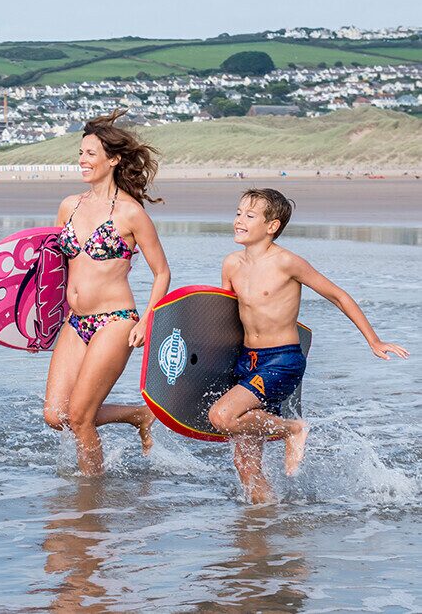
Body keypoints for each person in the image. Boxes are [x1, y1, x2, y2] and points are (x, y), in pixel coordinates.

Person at [208, 188, 408, 503]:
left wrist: (374, 340)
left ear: (271, 226)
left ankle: (292, 429)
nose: (238, 221)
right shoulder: (231, 264)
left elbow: (338, 296)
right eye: (237, 213)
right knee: (245, 464)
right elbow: (224, 318)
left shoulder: (287, 262)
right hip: (247, 360)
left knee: (221, 416)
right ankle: (266, 524)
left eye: (249, 215)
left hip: (282, 360)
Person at [44, 109, 170, 475]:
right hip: (75, 321)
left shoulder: (131, 214)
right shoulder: (69, 205)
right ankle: (137, 415)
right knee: (56, 416)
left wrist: (147, 321)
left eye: (90, 154)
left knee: (80, 418)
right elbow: (54, 267)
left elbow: (161, 272)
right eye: (80, 153)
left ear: (113, 160)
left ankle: (91, 501)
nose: (82, 161)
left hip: (115, 321)